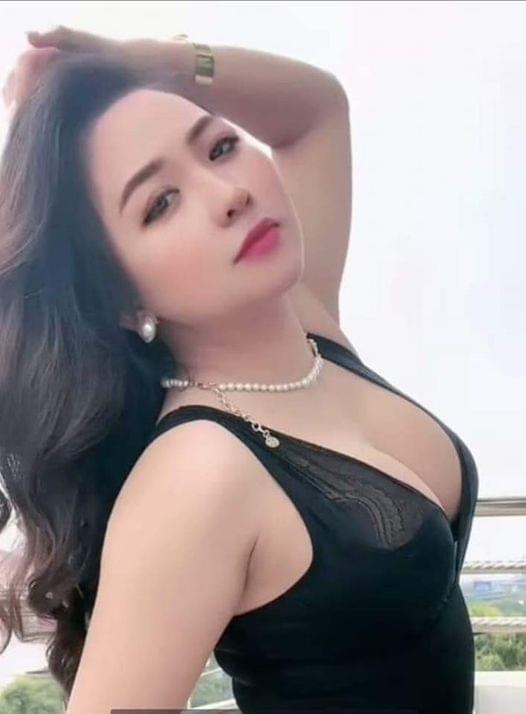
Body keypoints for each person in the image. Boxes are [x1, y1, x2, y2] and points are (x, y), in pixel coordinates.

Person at [0, 27, 479, 713]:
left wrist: (141, 61)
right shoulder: (196, 476)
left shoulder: (308, 327)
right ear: (120, 298)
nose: (227, 193)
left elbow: (316, 108)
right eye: (160, 204)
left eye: (220, 147)